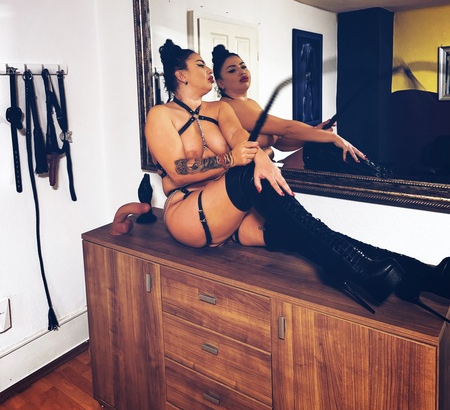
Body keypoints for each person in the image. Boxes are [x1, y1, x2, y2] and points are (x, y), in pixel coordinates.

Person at [111, 39, 449, 321]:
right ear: (181, 74)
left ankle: (423, 276)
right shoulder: (160, 115)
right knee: (247, 175)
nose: (207, 69)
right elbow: (178, 170)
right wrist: (232, 159)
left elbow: (242, 140)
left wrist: (261, 159)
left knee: (312, 234)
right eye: (200, 65)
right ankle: (348, 267)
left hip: (232, 217)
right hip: (189, 213)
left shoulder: (221, 109)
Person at [211, 43, 361, 168]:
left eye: (243, 66)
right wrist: (331, 136)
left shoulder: (249, 103)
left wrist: (315, 132)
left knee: (323, 148)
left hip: (269, 166)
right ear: (220, 83)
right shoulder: (230, 106)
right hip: (246, 175)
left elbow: (280, 142)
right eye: (232, 70)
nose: (241, 72)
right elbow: (286, 128)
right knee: (327, 149)